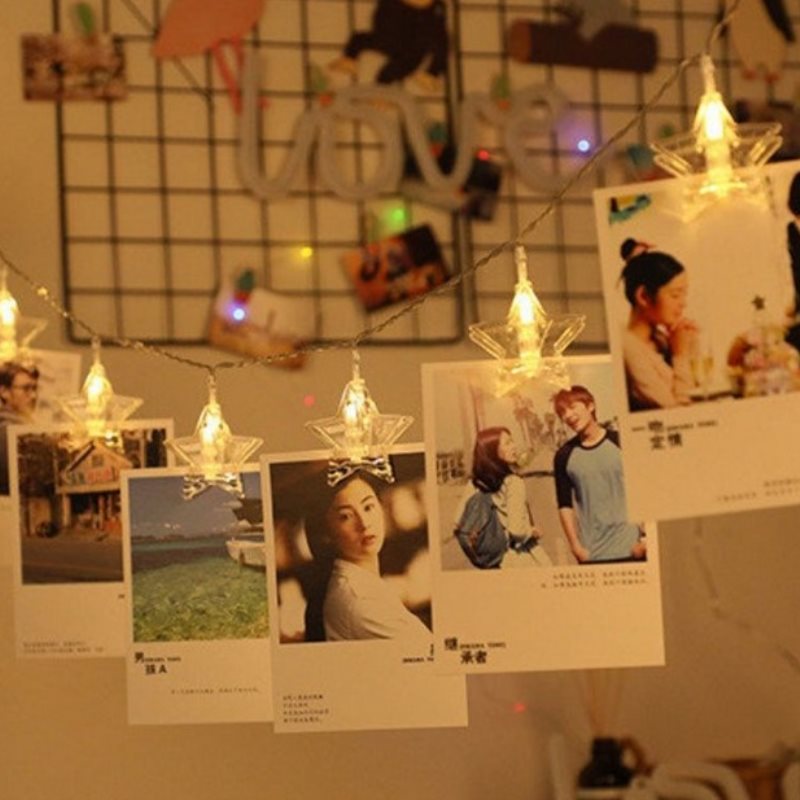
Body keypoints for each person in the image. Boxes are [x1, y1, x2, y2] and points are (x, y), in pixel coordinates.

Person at [303, 470, 431, 643]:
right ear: (326, 534)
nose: (364, 523)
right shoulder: (360, 601)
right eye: (345, 516)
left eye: (368, 507)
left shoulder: (362, 586)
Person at [552, 386, 645, 564]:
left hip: (631, 548)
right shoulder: (564, 456)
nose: (568, 415)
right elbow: (564, 505)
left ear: (591, 406)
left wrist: (646, 540)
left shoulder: (622, 442)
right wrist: (576, 547)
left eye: (572, 407)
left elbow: (645, 487)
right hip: (592, 553)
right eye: (562, 412)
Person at [457, 426, 552, 569]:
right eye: (507, 443)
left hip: (495, 561)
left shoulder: (474, 483)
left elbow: (457, 522)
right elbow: (516, 531)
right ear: (492, 451)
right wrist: (533, 532)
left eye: (512, 441)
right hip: (520, 558)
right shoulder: (513, 483)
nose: (514, 446)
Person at [620, 249, 698, 410]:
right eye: (675, 295)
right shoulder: (628, 349)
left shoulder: (662, 338)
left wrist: (691, 343)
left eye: (684, 294)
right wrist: (680, 355)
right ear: (643, 296)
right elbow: (678, 412)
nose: (683, 303)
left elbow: (698, 389)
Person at [0, 361, 39, 495]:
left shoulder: (27, 427)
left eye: (35, 389)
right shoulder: (7, 432)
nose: (33, 396)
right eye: (26, 388)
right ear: (4, 392)